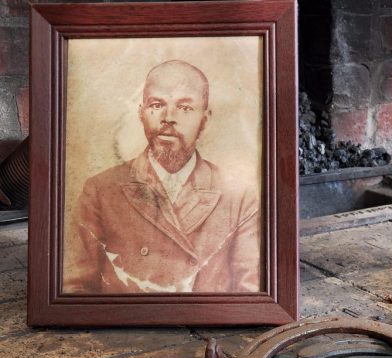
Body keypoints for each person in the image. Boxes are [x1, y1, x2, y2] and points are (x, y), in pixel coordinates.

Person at [63, 60, 261, 293]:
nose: (168, 117)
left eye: (185, 108)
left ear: (205, 119)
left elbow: (251, 294)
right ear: (141, 113)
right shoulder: (100, 191)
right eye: (157, 105)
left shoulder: (239, 197)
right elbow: (74, 289)